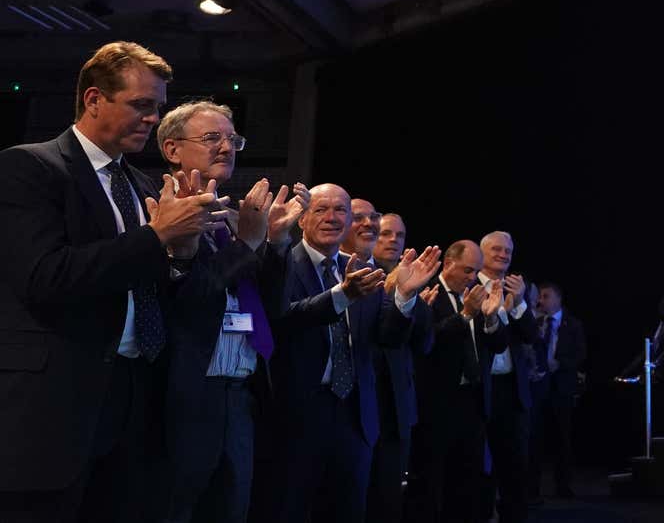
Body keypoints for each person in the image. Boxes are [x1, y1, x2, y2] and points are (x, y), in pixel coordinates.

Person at [0, 42, 226, 522]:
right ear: (95, 99)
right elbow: (46, 276)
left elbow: (162, 289)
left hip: (134, 402)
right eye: (142, 105)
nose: (152, 118)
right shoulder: (29, 168)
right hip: (53, 407)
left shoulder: (145, 187)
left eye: (158, 108)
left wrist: (181, 256)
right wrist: (157, 235)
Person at [156, 100, 307, 523]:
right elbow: (188, 298)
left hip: (241, 394)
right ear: (172, 149)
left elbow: (274, 311)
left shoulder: (239, 217)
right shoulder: (160, 210)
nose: (227, 147)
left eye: (232, 139)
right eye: (211, 138)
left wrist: (275, 243)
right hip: (184, 395)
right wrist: (248, 245)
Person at [260, 183, 435, 523]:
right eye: (321, 209)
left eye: (340, 210)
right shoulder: (281, 264)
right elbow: (280, 320)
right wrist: (341, 295)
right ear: (302, 219)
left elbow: (388, 337)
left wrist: (403, 297)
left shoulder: (362, 269)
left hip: (355, 418)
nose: (332, 217)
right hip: (296, 416)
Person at [410, 241, 507, 523]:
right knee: (430, 482)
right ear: (449, 263)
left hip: (473, 401)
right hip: (436, 404)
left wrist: (490, 318)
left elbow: (499, 346)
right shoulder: (428, 293)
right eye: (467, 270)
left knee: (467, 482)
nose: (472, 277)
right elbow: (426, 341)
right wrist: (464, 315)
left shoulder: (475, 294)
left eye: (476, 271)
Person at [364, 212, 437, 523]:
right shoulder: (355, 273)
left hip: (396, 408)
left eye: (400, 235)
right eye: (386, 234)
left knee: (388, 500)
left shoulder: (412, 280)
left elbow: (424, 344)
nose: (394, 240)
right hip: (359, 402)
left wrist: (408, 298)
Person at [477, 231, 540, 523]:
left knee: (515, 468)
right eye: (497, 250)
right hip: (478, 389)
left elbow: (531, 336)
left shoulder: (516, 291)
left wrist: (520, 303)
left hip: (512, 392)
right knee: (478, 467)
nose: (504, 255)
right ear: (482, 252)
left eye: (508, 252)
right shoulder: (468, 286)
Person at [529, 282, 586, 500]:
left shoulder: (573, 325)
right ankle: (532, 487)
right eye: (540, 297)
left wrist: (559, 364)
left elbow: (580, 354)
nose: (541, 301)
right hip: (539, 388)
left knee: (562, 438)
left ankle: (563, 486)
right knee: (535, 439)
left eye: (546, 296)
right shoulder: (535, 322)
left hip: (562, 388)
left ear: (558, 299)